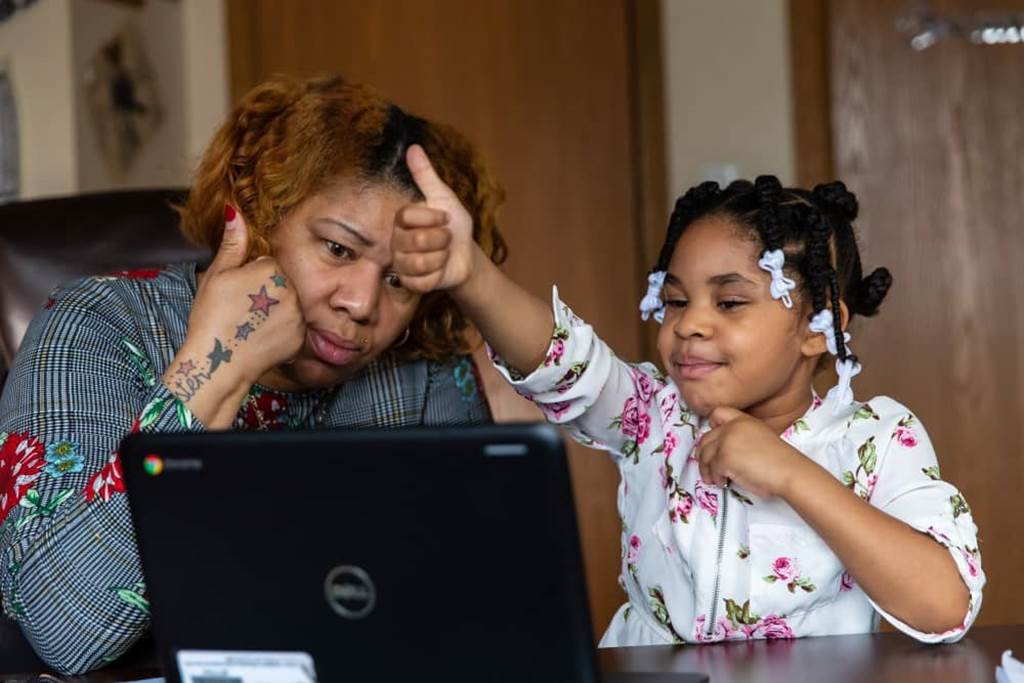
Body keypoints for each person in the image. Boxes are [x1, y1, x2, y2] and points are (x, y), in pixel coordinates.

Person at [0, 75, 505, 674]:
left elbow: (479, 617)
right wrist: (216, 370)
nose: (363, 303)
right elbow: (67, 630)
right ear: (262, 215)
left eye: (398, 280)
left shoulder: (421, 375)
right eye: (339, 250)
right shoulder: (97, 327)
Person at [392, 148, 984, 646]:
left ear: (818, 327)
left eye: (728, 302)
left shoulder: (876, 440)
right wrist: (469, 274)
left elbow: (944, 606)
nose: (690, 324)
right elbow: (561, 359)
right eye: (676, 301)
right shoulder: (653, 415)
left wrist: (791, 474)